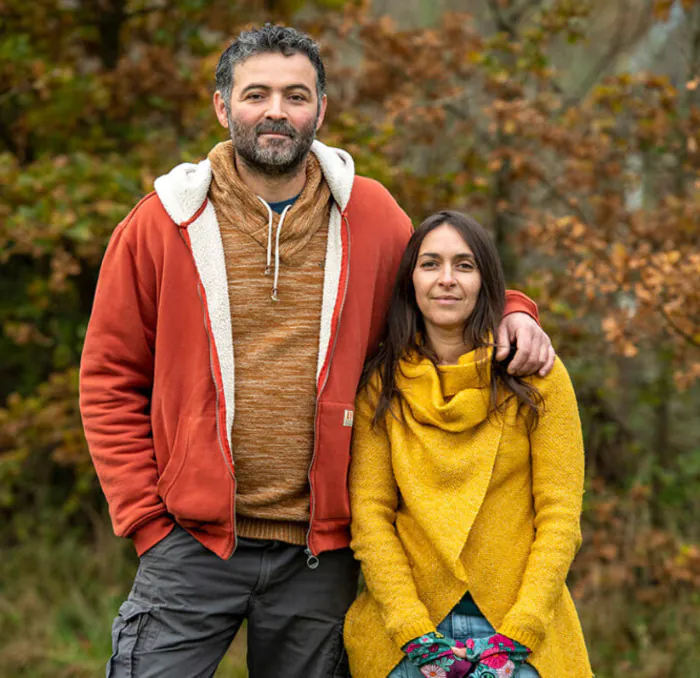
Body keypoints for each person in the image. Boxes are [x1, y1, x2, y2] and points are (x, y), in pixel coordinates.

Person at [79, 24, 554, 678]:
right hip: (189, 545)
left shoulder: (373, 216)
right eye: (257, 94)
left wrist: (516, 312)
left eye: (296, 95)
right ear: (223, 107)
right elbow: (109, 380)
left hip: (319, 554)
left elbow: (442, 285)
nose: (276, 111)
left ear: (320, 110)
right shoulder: (162, 223)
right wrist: (146, 522)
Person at [344, 210, 592, 678]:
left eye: (464, 265)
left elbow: (560, 517)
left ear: (486, 281)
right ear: (410, 281)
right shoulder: (381, 385)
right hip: (408, 634)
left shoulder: (539, 377)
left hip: (522, 632)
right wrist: (413, 632)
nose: (446, 280)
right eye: (430, 264)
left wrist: (520, 633)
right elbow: (371, 517)